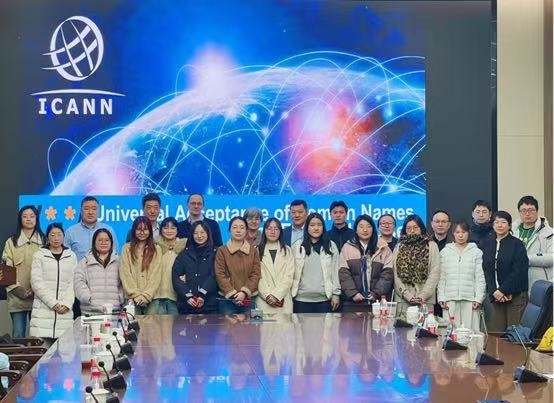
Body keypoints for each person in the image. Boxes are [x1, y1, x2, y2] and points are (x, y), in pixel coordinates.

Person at [481, 211, 529, 331]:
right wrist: (494, 291)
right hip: (495, 296)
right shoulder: (486, 243)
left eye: (503, 222)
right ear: (492, 225)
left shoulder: (517, 244)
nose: (500, 225)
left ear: (509, 225)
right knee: (496, 333)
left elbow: (519, 271)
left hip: (515, 295)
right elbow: (486, 269)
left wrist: (503, 290)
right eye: (496, 222)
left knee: (514, 333)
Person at [1, 206, 45, 337]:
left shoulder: (45, 241)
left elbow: (49, 269)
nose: (28, 219)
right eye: (25, 216)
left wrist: (36, 290)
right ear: (20, 219)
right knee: (18, 335)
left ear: (37, 219)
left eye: (32, 216)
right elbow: (6, 270)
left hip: (39, 298)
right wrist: (19, 290)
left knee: (38, 337)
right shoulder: (11, 242)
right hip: (17, 299)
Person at [29, 223, 77, 338]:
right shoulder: (39, 255)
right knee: (42, 348)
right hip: (43, 313)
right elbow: (36, 282)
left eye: (59, 234)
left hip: (64, 314)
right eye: (52, 235)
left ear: (64, 236)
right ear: (47, 237)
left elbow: (73, 282)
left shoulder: (71, 256)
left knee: (64, 348)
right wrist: (53, 303)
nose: (56, 238)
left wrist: (66, 304)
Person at [437, 221, 485, 331]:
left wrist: (478, 298)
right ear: (453, 233)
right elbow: (441, 277)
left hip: (470, 300)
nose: (460, 235)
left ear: (468, 233)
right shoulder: (445, 252)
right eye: (457, 232)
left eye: (463, 232)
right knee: (450, 332)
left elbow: (480, 278)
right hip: (449, 299)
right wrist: (441, 297)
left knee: (471, 332)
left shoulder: (476, 252)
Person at [339, 215, 394, 311]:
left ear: (373, 229)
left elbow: (387, 275)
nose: (365, 230)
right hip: (352, 302)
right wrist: (353, 293)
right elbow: (344, 274)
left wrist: (376, 293)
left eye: (368, 226)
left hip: (377, 302)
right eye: (361, 226)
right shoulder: (347, 248)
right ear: (356, 230)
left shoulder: (384, 248)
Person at [291, 212, 341, 313]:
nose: (316, 228)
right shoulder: (297, 246)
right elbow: (291, 272)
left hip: (325, 299)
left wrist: (336, 294)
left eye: (319, 225)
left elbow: (336, 272)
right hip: (301, 299)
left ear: (323, 227)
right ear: (307, 227)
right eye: (312, 225)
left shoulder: (331, 246)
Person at [393, 214, 440, 319]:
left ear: (421, 228)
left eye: (415, 227)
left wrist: (422, 296)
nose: (412, 231)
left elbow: (434, 273)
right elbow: (395, 274)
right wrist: (407, 295)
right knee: (403, 329)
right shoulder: (399, 246)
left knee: (425, 328)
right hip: (403, 300)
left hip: (425, 301)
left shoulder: (431, 245)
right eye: (408, 228)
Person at [215, 217, 261, 314]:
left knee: (249, 324)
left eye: (242, 227)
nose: (238, 230)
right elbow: (220, 274)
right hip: (227, 300)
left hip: (248, 299)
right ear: (229, 230)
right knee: (228, 324)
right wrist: (233, 295)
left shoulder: (253, 251)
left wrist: (244, 293)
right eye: (235, 227)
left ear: (246, 230)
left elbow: (256, 274)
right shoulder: (222, 250)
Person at [74, 228, 124, 315]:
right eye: (100, 240)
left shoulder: (120, 261)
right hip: (90, 313)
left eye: (107, 240)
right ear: (94, 242)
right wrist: (87, 298)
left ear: (111, 242)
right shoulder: (85, 262)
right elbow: (78, 281)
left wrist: (120, 298)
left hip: (115, 312)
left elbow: (125, 283)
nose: (103, 243)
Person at [172, 221, 218, 314]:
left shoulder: (216, 253)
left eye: (202, 232)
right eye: (195, 233)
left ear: (208, 234)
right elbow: (176, 277)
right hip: (187, 305)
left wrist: (202, 294)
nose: (199, 236)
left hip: (210, 305)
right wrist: (188, 296)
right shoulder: (184, 254)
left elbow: (215, 275)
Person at [120, 216, 163, 315]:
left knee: (152, 325)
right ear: (134, 231)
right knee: (132, 325)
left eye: (145, 229)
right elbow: (125, 273)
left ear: (150, 231)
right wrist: (135, 294)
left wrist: (146, 295)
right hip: (132, 299)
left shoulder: (157, 249)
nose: (142, 232)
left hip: (152, 299)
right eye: (139, 229)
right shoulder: (126, 249)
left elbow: (156, 275)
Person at [511, 196, 553, 290]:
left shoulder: (549, 233)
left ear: (537, 211)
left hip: (540, 285)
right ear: (519, 212)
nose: (527, 214)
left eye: (531, 210)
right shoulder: (512, 232)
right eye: (523, 210)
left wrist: (526, 259)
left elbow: (552, 257)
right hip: (516, 285)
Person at [256, 218, 295, 313]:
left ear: (280, 231)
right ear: (264, 231)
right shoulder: (256, 250)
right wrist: (267, 296)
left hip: (283, 300)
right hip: (264, 300)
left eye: (276, 229)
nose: (272, 232)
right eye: (269, 228)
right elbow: (255, 276)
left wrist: (277, 295)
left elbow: (289, 276)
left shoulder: (287, 251)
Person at [150, 217, 187, 314]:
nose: (169, 231)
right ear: (161, 230)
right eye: (166, 228)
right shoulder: (154, 247)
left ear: (177, 230)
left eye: (173, 228)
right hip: (156, 296)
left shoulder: (184, 248)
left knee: (175, 323)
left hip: (177, 297)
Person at [65, 196, 118, 261]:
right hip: (78, 267)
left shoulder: (108, 230)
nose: (90, 212)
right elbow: (65, 258)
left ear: (98, 211)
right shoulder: (70, 232)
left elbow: (114, 255)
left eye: (94, 209)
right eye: (86, 209)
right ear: (81, 211)